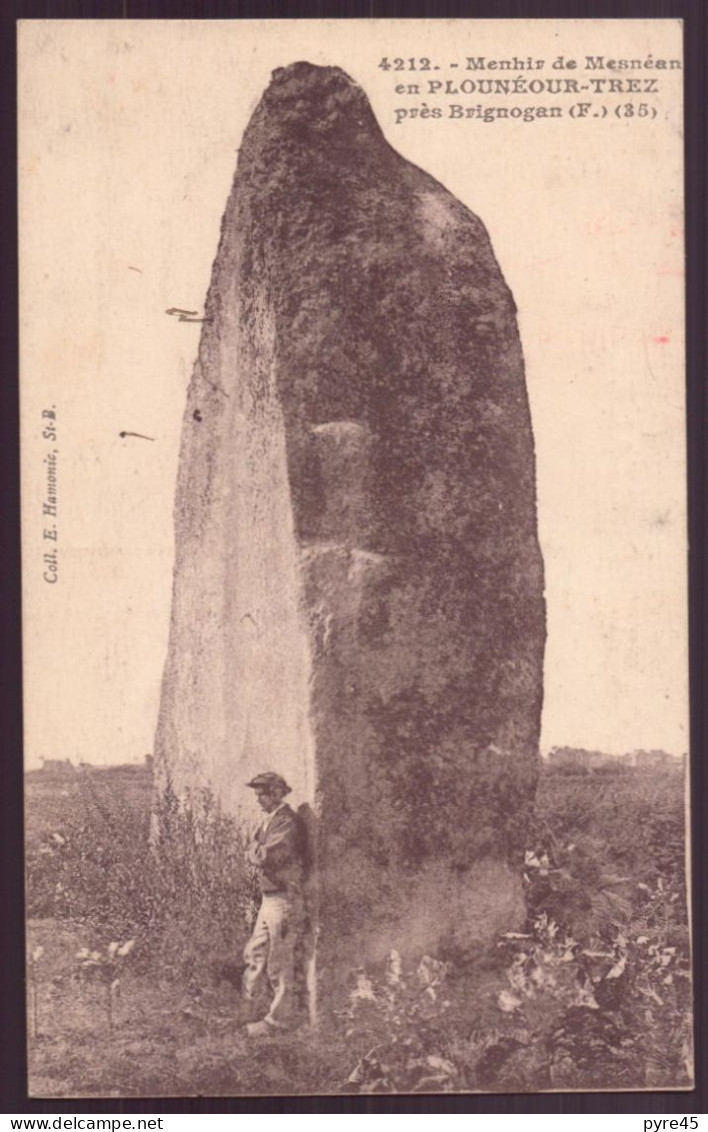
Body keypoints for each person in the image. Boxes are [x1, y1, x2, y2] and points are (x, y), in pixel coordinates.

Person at [241, 771, 307, 1037]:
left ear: (278, 793)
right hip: (269, 897)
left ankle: (279, 1021)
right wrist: (255, 851)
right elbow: (251, 848)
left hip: (284, 898)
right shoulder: (269, 821)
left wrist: (256, 852)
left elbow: (266, 855)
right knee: (255, 953)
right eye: (258, 794)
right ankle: (251, 1011)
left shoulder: (288, 822)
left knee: (279, 961)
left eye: (263, 794)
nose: (259, 799)